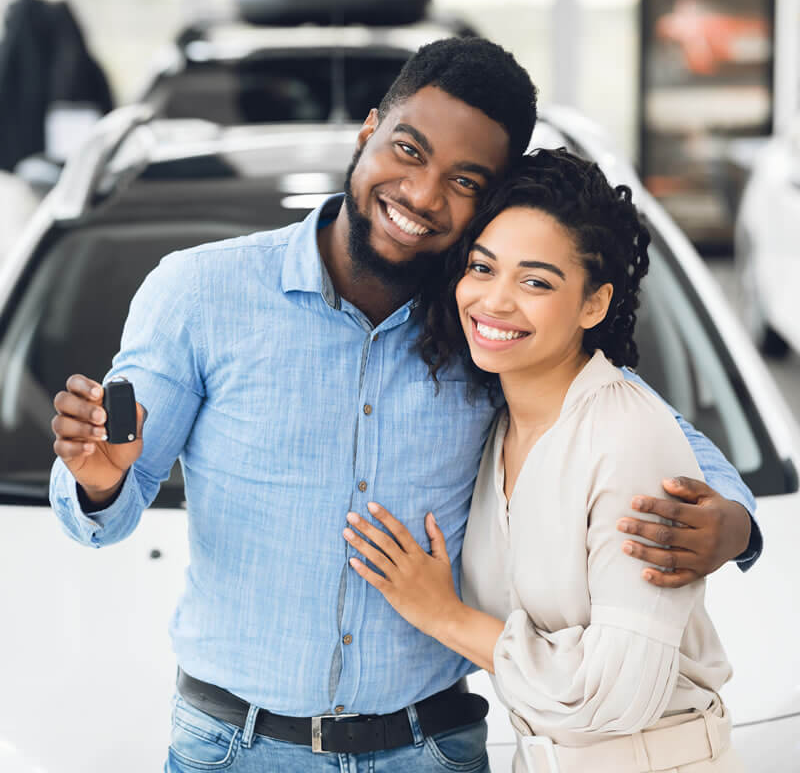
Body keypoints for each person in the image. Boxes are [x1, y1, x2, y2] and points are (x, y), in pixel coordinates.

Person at [49, 39, 759, 773]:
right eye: (408, 151)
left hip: (431, 748)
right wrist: (99, 479)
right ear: (368, 132)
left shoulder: (491, 326)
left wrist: (732, 522)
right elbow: (107, 509)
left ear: (489, 200)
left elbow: (648, 430)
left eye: (464, 181)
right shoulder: (198, 294)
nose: (422, 195)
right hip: (236, 748)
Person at [342, 148, 746, 772]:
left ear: (594, 304)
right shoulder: (495, 423)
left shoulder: (627, 437)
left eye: (535, 281)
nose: (494, 301)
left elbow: (610, 695)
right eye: (482, 267)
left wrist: (442, 613)